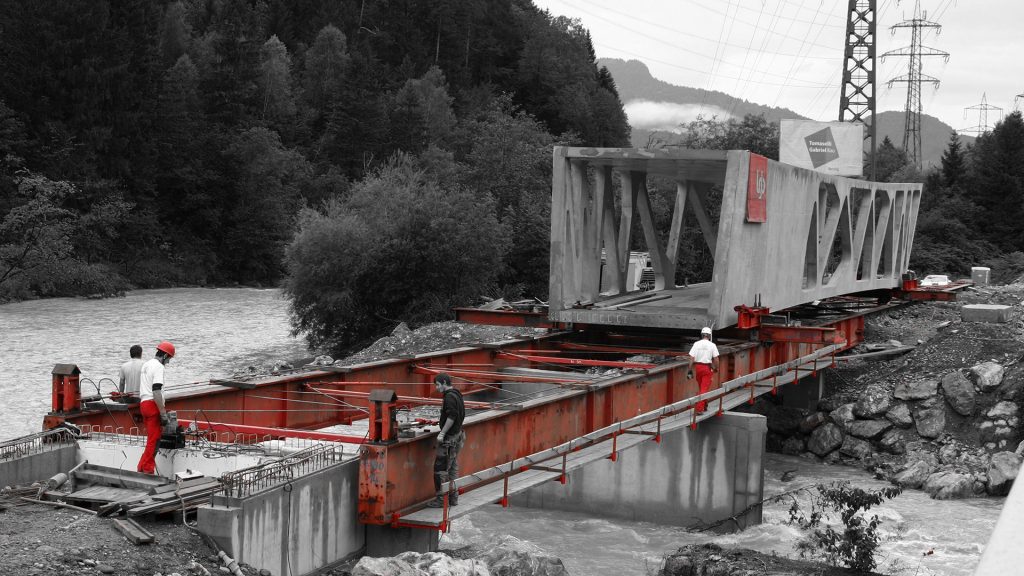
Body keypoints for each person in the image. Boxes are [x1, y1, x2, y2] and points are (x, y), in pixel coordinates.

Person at [427, 373, 466, 508]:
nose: (437, 388)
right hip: (458, 435)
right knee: (453, 470)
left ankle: (440, 500)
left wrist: (442, 433)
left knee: (440, 470)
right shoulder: (457, 394)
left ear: (444, 382)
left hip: (450, 439)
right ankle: (453, 499)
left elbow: (452, 415)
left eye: (437, 385)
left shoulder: (449, 397)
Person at [137, 341, 175, 475]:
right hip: (152, 405)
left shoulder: (146, 364)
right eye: (169, 359)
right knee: (154, 440)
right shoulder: (159, 367)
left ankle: (142, 466)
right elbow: (156, 391)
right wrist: (163, 413)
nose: (168, 362)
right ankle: (147, 470)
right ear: (164, 355)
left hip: (143, 404)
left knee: (150, 439)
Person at [688, 327, 720, 413]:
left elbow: (691, 358)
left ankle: (705, 405)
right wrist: (716, 368)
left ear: (702, 335)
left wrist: (690, 370)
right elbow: (716, 359)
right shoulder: (712, 345)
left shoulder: (696, 344)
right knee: (704, 389)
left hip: (698, 367)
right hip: (707, 368)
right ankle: (699, 409)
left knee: (702, 388)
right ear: (709, 336)